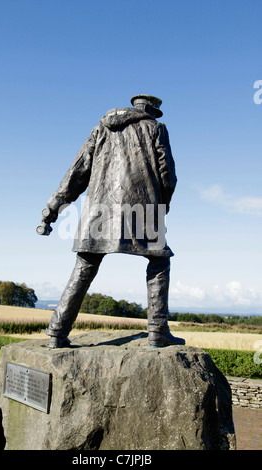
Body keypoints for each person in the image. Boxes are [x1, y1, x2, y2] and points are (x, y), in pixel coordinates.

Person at [37, 94, 185, 348]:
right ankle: (158, 331)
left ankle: (57, 333)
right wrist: (164, 207)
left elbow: (76, 173)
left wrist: (52, 209)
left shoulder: (101, 128)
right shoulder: (156, 128)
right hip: (143, 207)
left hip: (99, 209)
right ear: (151, 110)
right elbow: (167, 176)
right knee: (159, 262)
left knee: (84, 266)